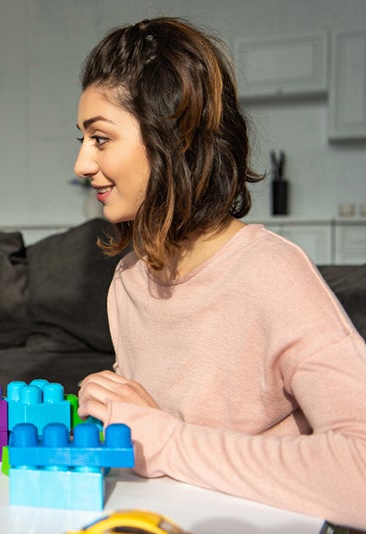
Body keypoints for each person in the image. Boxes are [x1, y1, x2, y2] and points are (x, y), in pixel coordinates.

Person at [74, 18, 366, 529]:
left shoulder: (273, 274)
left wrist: (163, 438)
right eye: (82, 139)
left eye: (100, 138)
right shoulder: (128, 280)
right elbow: (157, 443)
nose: (80, 163)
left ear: (169, 137)